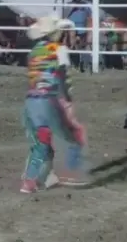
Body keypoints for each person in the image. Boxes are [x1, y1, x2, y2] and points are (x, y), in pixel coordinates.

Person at [21, 15, 89, 194]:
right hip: (49, 101)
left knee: (41, 143)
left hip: (30, 102)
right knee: (74, 137)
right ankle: (71, 174)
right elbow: (62, 79)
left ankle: (32, 180)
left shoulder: (34, 51)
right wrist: (67, 103)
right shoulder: (59, 50)